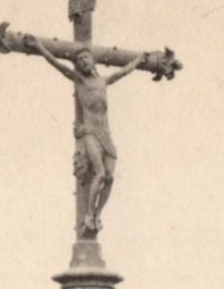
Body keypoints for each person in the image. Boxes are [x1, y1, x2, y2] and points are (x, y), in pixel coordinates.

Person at [26, 35, 150, 234]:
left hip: (106, 134)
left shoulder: (103, 81)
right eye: (80, 61)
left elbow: (124, 72)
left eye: (86, 59)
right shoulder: (79, 80)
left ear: (92, 61)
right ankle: (88, 215)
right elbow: (57, 64)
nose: (83, 63)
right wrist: (40, 47)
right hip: (90, 132)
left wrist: (139, 60)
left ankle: (97, 214)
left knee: (110, 177)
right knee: (99, 173)